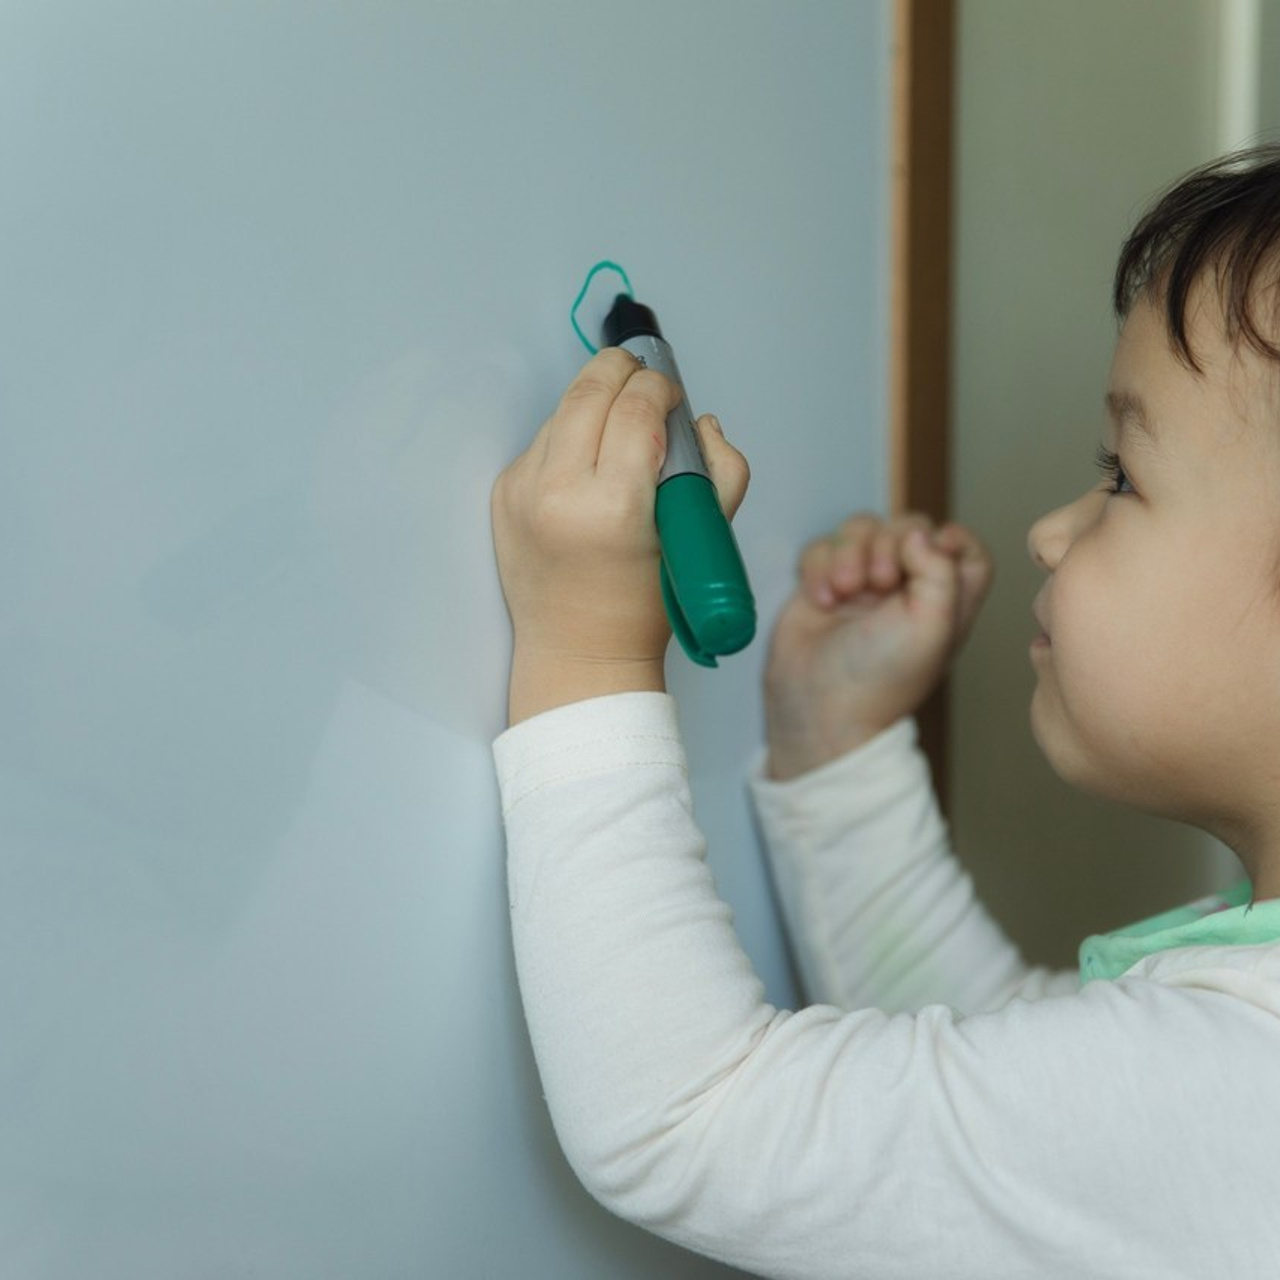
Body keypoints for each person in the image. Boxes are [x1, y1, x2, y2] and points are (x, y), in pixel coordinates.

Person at [489, 147, 1280, 1279]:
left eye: (1119, 477)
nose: (1052, 531)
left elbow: (688, 1116)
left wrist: (586, 649)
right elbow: (1002, 1101)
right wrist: (834, 747)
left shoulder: (1242, 1087)